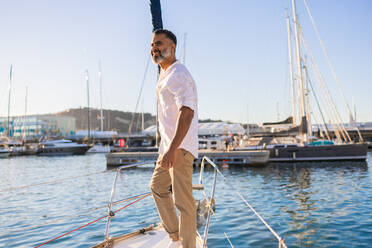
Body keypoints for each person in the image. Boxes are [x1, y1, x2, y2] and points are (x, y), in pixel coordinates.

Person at [149, 29, 198, 248]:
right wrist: (166, 149)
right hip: (169, 148)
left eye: (159, 43)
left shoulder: (179, 73)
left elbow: (187, 112)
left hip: (179, 148)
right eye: (152, 45)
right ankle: (176, 236)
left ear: (173, 47)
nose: (154, 48)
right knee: (158, 187)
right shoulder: (165, 74)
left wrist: (172, 149)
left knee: (184, 203)